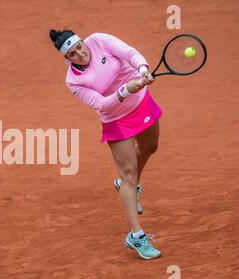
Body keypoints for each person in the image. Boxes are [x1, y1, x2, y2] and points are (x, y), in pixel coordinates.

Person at [49, 29, 163, 260]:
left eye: (80, 46)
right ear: (67, 59)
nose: (81, 53)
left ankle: (126, 183)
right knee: (130, 174)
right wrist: (124, 90)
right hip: (117, 120)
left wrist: (142, 68)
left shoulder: (99, 40)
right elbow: (102, 105)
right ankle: (136, 235)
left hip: (142, 103)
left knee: (150, 147)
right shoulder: (74, 81)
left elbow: (129, 53)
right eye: (73, 54)